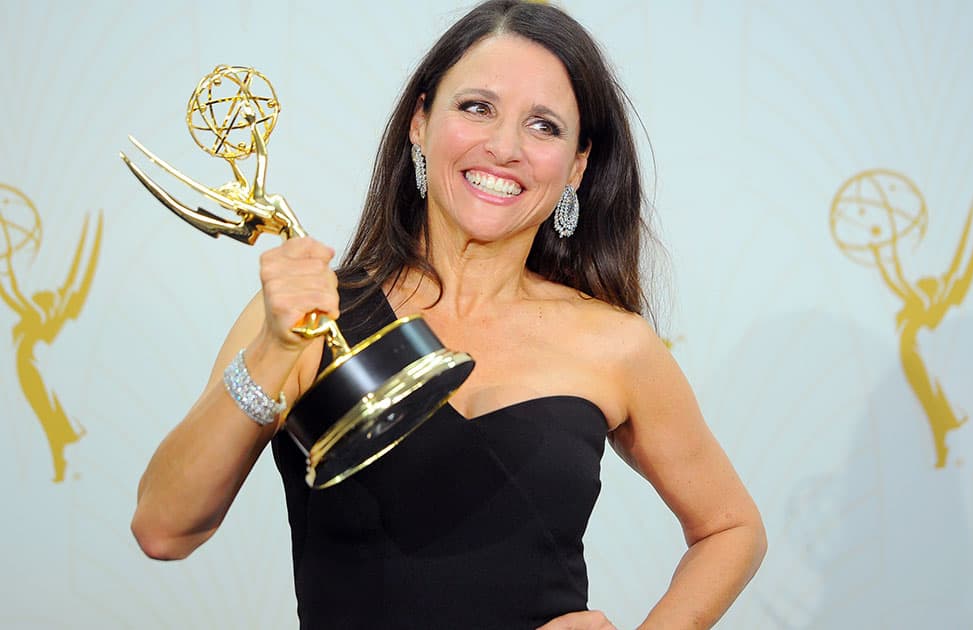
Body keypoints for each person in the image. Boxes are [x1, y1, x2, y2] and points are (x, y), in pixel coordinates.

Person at [130, 1, 767, 628]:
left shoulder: (616, 345)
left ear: (577, 165)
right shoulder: (310, 314)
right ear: (420, 122)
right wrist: (274, 348)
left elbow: (732, 528)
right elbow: (164, 528)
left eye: (543, 125)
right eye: (477, 107)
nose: (504, 147)